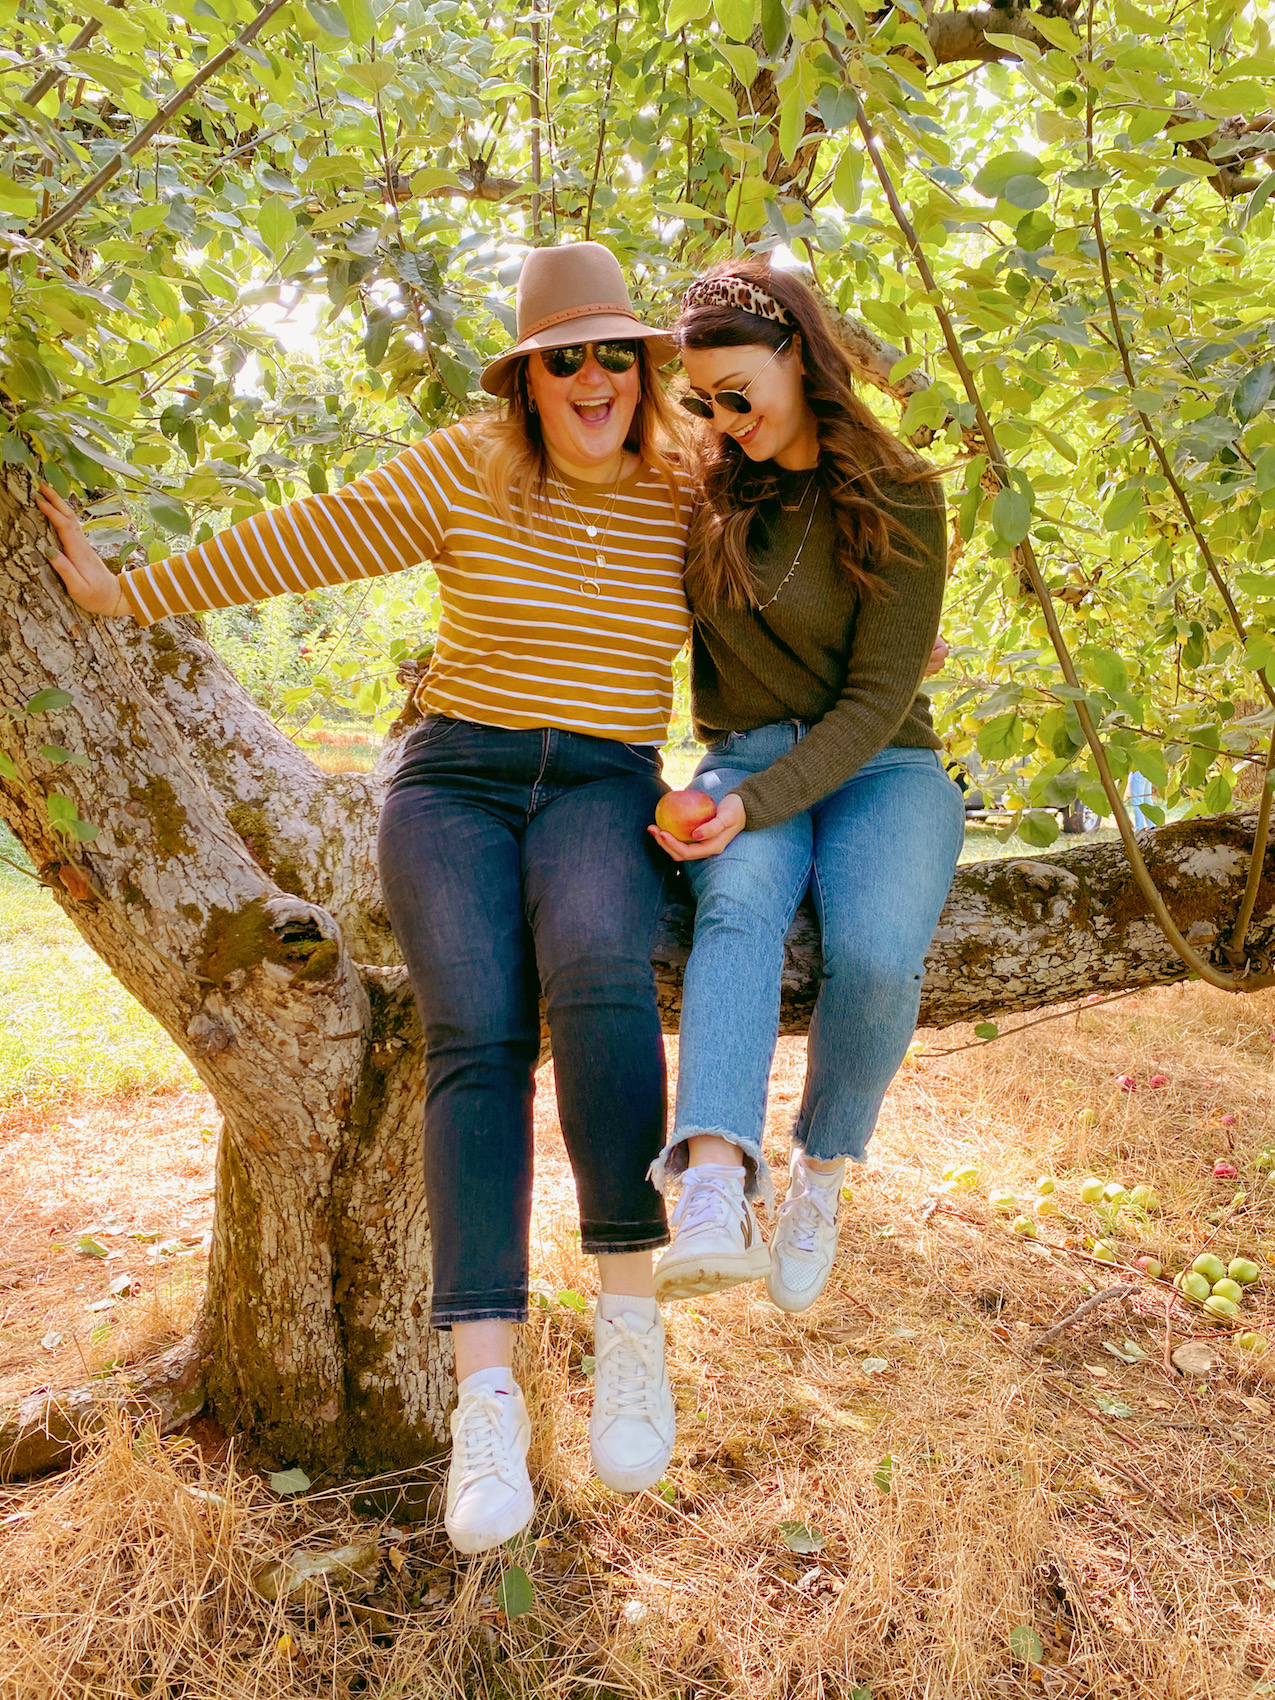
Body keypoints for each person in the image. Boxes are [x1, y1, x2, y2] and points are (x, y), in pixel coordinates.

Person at [36, 241, 691, 1553]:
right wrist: (120, 595)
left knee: (605, 976)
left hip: (604, 791)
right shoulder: (466, 465)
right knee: (479, 1042)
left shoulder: (688, 489)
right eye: (565, 356)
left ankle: (631, 1326)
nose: (594, 377)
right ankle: (486, 1408)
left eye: (616, 352)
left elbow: (794, 576)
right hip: (453, 781)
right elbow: (303, 537)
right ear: (525, 377)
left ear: (641, 368)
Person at [647, 260, 964, 1314]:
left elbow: (876, 699)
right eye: (704, 400)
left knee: (875, 954)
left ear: (804, 357)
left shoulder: (903, 492)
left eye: (740, 391)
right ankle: (713, 1179)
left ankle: (821, 1168)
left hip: (885, 762)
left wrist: (753, 803)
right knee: (735, 905)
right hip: (740, 750)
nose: (724, 419)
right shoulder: (699, 488)